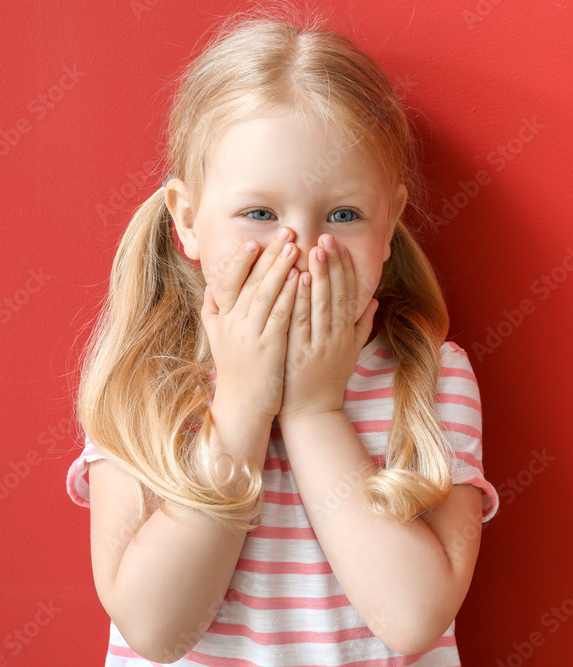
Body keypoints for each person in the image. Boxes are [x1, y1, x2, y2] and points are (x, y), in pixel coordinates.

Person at [65, 4, 499, 665]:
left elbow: (412, 619)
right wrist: (241, 402)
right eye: (259, 212)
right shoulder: (145, 382)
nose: (301, 249)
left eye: (345, 214)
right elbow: (155, 628)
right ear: (186, 220)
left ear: (389, 227)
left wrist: (313, 409)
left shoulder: (429, 374)